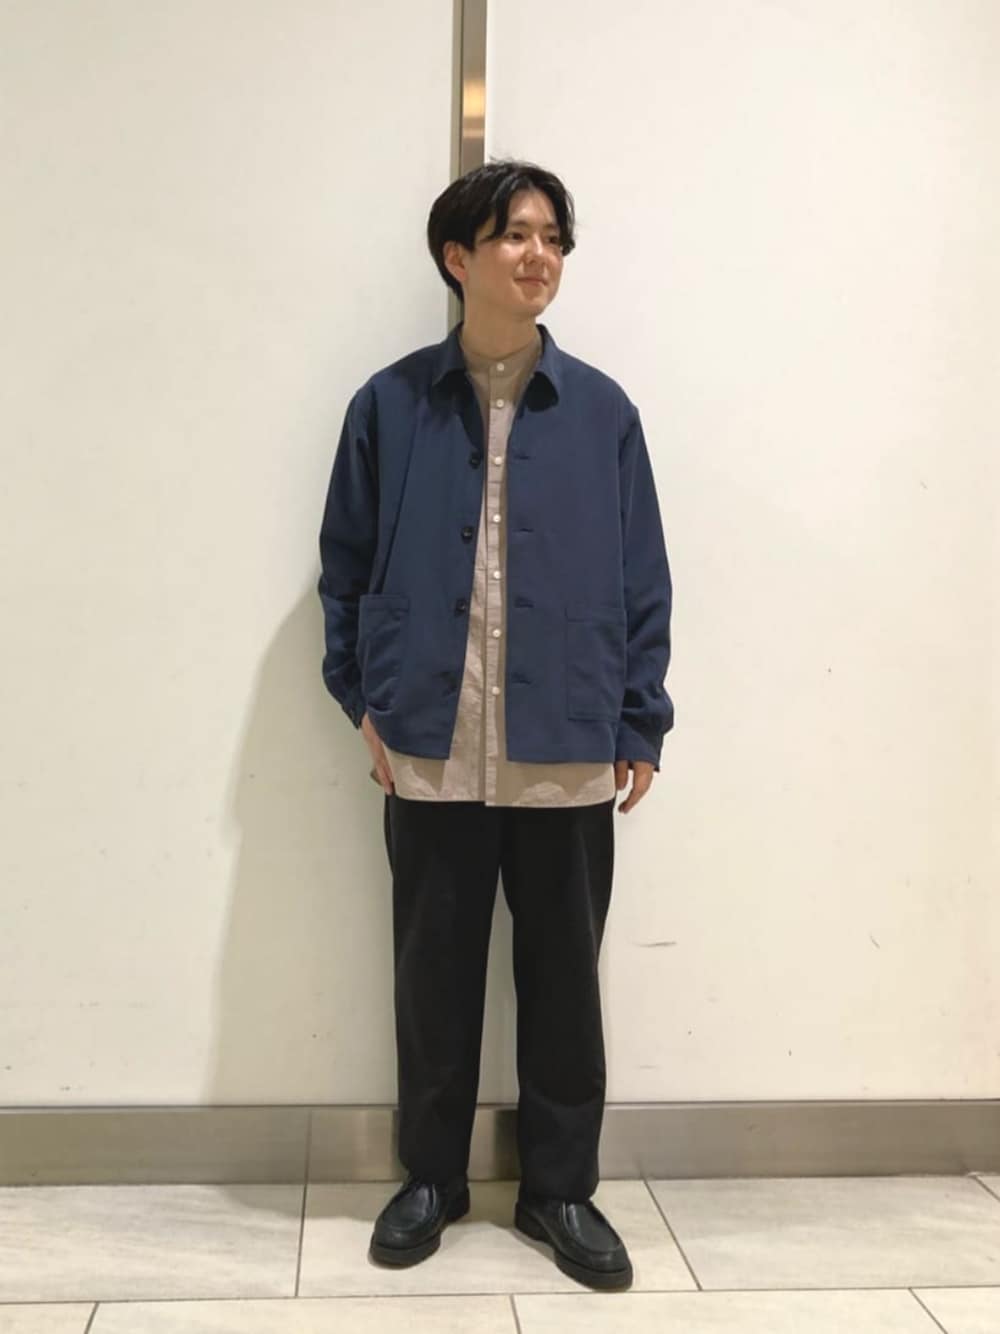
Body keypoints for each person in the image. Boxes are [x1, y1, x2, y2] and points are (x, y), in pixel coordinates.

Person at [317, 159, 673, 1292]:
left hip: (566, 738)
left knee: (565, 977)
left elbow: (643, 580)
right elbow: (344, 568)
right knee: (432, 974)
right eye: (515, 234)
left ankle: (560, 1189)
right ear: (457, 256)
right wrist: (361, 698)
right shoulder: (388, 406)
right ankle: (430, 1177)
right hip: (429, 737)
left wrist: (640, 718)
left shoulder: (604, 412)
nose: (539, 255)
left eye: (553, 237)